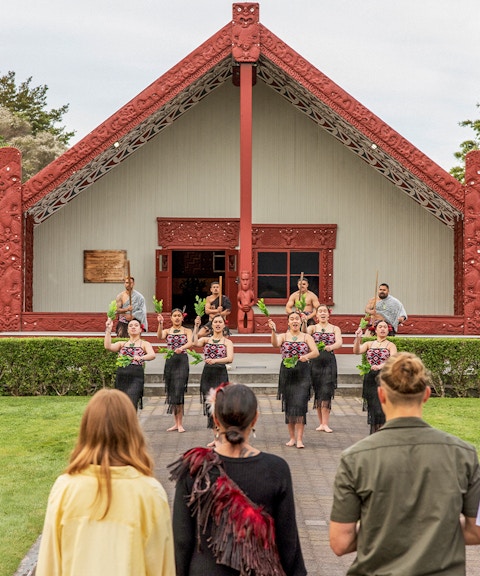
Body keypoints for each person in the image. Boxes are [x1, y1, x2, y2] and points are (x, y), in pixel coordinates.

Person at [330, 352, 480, 575]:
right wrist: (434, 528)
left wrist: (384, 529)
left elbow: (340, 541)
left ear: (381, 395)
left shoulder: (355, 458)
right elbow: (476, 531)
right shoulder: (465, 454)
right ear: (427, 394)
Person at [169, 383, 307, 576]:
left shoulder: (195, 467)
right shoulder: (277, 469)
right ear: (255, 419)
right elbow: (288, 543)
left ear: (215, 419)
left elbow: (181, 541)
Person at [36, 389, 175, 576]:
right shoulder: (149, 491)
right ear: (132, 430)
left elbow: (49, 564)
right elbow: (161, 566)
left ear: (87, 430)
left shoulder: (65, 488)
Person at [268, 312, 319, 448]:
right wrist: (273, 331)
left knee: (300, 404)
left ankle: (300, 439)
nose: (295, 321)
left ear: (300, 321)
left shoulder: (306, 337)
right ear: (288, 322)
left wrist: (306, 356)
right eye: (292, 319)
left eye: (297, 319)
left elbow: (315, 352)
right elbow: (274, 344)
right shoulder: (283, 336)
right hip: (287, 373)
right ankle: (292, 438)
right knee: (290, 405)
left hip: (303, 373)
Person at [353, 319, 397, 433]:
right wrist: (358, 338)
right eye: (380, 327)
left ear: (388, 330)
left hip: (384, 378)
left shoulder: (391, 345)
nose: (382, 329)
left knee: (382, 407)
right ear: (375, 330)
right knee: (373, 405)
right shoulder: (369, 344)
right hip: (371, 377)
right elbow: (356, 351)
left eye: (385, 327)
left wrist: (380, 366)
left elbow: (392, 360)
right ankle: (374, 432)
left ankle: (383, 431)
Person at [193, 314, 234, 434]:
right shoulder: (206, 340)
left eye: (220, 322)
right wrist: (196, 327)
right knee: (210, 406)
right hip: (208, 374)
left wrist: (215, 360)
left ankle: (222, 434)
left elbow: (230, 358)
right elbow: (195, 342)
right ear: (211, 325)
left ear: (223, 325)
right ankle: (216, 437)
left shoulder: (227, 342)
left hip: (220, 373)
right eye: (215, 322)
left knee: (220, 406)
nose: (217, 324)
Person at [104, 316, 155, 410]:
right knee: (121, 404)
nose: (133, 327)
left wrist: (141, 357)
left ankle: (131, 423)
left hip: (136, 376)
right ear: (127, 330)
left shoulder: (144, 344)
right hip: (122, 376)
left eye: (136, 325)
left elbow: (152, 355)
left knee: (132, 401)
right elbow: (108, 346)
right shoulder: (122, 344)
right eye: (130, 325)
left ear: (140, 329)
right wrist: (108, 330)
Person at [306, 304, 343, 432]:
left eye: (324, 311)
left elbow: (339, 342)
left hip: (329, 361)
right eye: (320, 311)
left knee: (326, 391)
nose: (322, 313)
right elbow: (304, 336)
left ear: (328, 314)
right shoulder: (312, 328)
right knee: (318, 392)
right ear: (316, 315)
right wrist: (303, 321)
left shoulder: (334, 328)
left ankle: (326, 423)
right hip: (315, 362)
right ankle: (320, 423)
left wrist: (330, 347)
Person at [157, 308, 193, 432]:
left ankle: (180, 423)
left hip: (182, 360)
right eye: (174, 316)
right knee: (172, 390)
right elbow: (159, 336)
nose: (177, 318)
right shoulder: (167, 331)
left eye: (179, 315)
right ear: (171, 318)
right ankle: (175, 423)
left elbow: (190, 342)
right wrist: (160, 324)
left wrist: (181, 348)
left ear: (182, 318)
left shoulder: (187, 330)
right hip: (170, 361)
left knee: (179, 390)